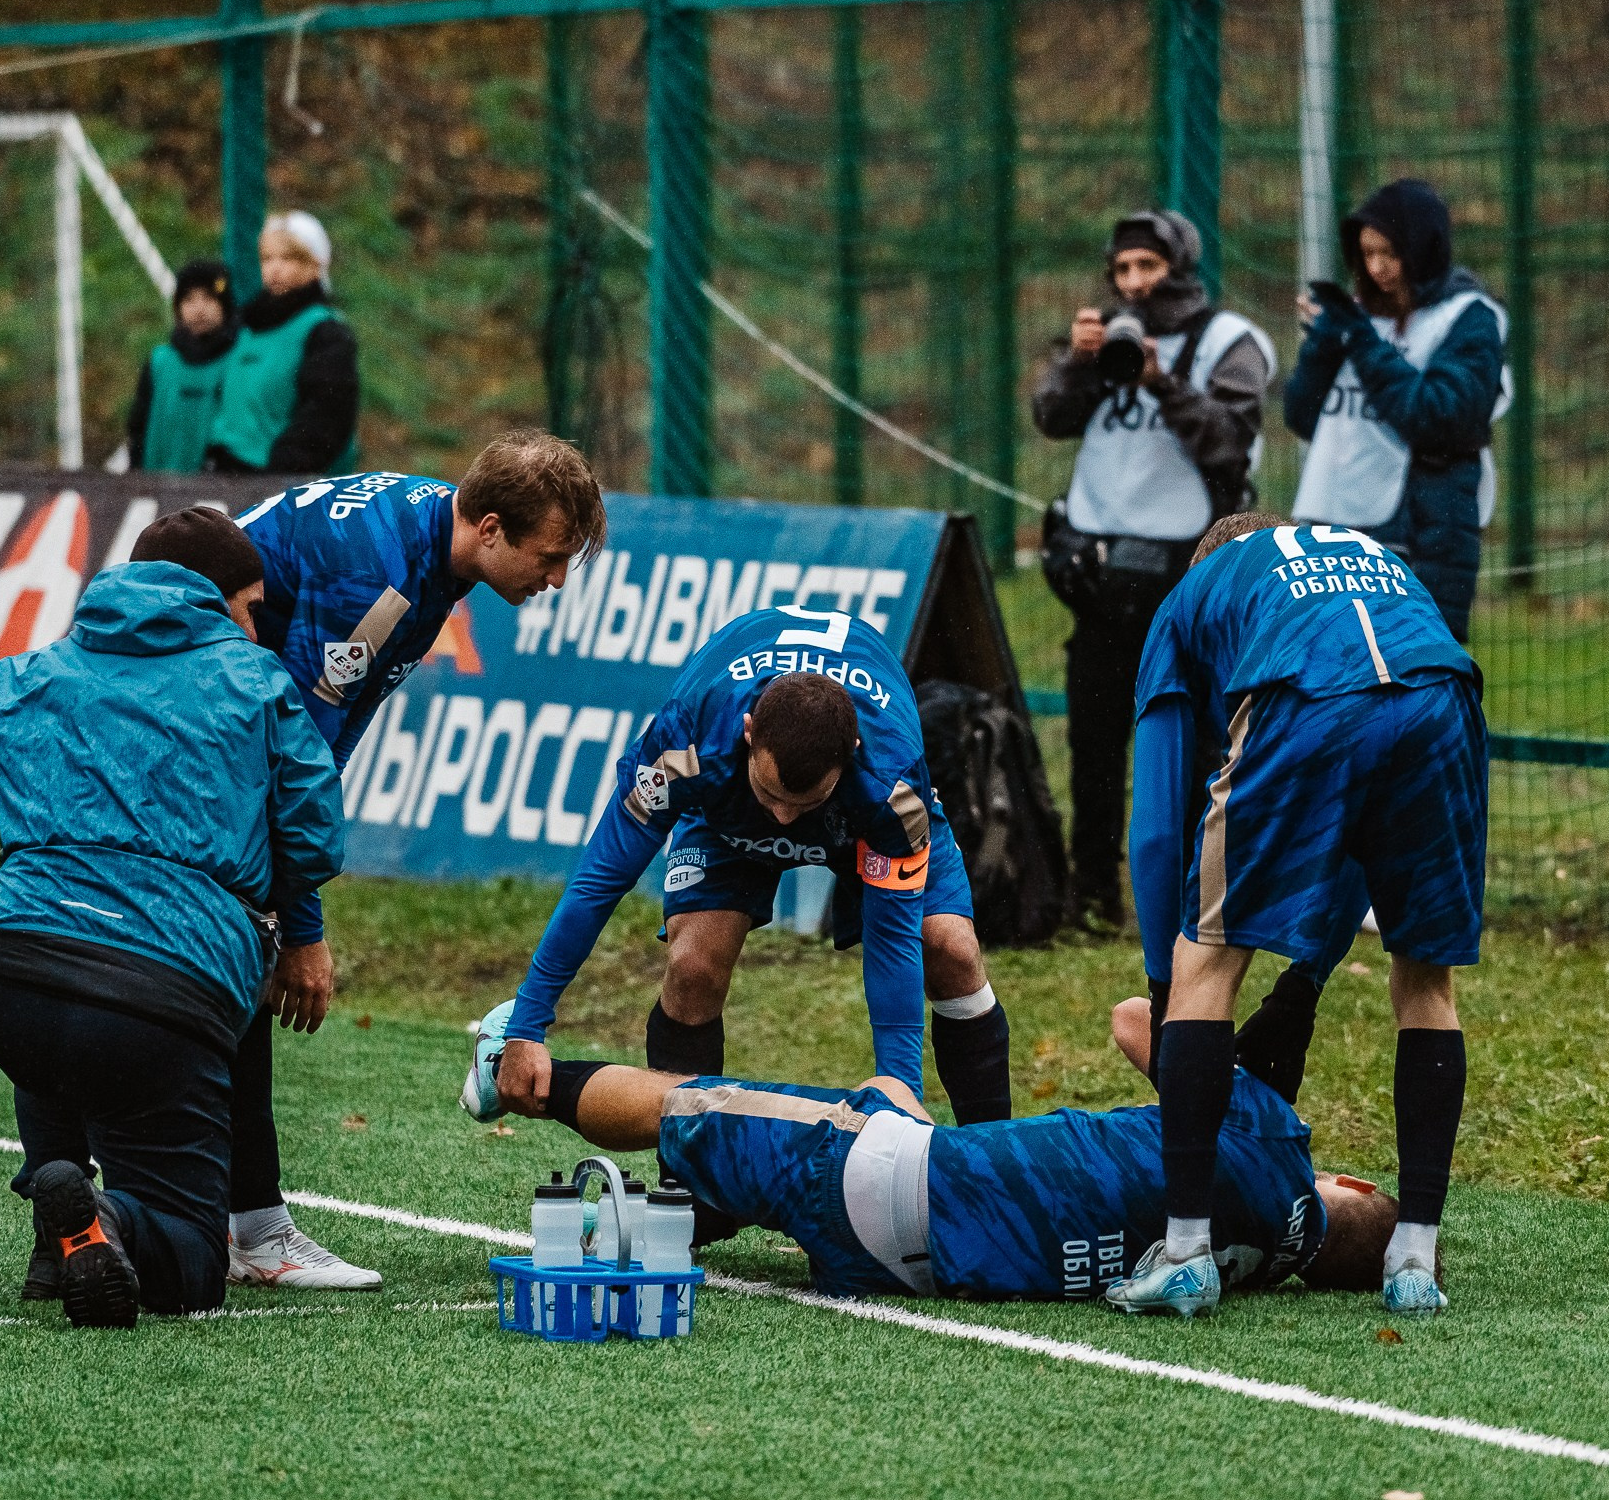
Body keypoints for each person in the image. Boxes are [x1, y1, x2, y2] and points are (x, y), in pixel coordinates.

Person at [0, 511, 344, 1327]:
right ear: (215, 599)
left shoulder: (38, 667)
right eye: (250, 605)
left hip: (10, 980)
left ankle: (55, 1216)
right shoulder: (256, 678)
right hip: (161, 994)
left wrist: (48, 804)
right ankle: (112, 1220)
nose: (254, 625)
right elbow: (313, 839)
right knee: (195, 1263)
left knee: (61, 1034)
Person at [217, 432, 607, 1288]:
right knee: (230, 953)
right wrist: (303, 928)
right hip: (184, 737)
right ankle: (240, 1226)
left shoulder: (434, 537)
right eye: (549, 558)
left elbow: (322, 739)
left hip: (217, 733)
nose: (556, 581)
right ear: (494, 527)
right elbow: (298, 752)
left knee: (231, 949)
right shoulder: (380, 578)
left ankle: (231, 1216)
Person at [1107, 511, 1485, 1320]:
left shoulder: (1189, 598)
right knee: (1426, 979)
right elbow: (1356, 835)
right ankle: (1414, 1260)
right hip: (1443, 691)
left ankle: (1183, 1255)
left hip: (1302, 688)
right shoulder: (1367, 555)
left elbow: (1156, 822)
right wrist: (1304, 982)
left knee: (1207, 954)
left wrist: (1165, 978)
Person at [476, 603, 1013, 1135]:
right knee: (693, 967)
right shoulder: (687, 741)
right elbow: (600, 881)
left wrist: (900, 1102)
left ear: (850, 753)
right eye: (772, 794)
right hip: (726, 810)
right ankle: (687, 1184)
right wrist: (527, 1026)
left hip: (856, 819)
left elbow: (892, 940)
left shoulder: (891, 783)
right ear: (749, 731)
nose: (782, 820)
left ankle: (992, 1164)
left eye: (801, 805)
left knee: (951, 948)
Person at [500, 995, 1397, 1305]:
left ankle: (517, 1078)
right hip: (908, 1267)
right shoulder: (1249, 1265)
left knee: (687, 1103)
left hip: (879, 1180)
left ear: (1347, 1180)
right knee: (890, 1098)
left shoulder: (1272, 1140)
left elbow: (1134, 1022)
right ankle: (698, 1211)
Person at [1032, 209, 1276, 928]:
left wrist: (1162, 380)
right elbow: (1050, 417)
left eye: (1149, 267)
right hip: (1099, 569)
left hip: (1186, 572)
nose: (1135, 284)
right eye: (1123, 269)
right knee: (1094, 737)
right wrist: (1078, 363)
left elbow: (1231, 446)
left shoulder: (1229, 341)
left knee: (1197, 740)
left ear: (1180, 267)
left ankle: (1197, 893)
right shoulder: (1105, 335)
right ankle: (1094, 891)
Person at [1282, 178, 1510, 642]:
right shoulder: (1360, 317)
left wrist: (1362, 342)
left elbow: (1437, 415)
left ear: (1422, 247)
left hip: (1423, 529)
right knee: (1328, 672)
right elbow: (1303, 417)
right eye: (1367, 254)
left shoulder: (1469, 318)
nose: (1378, 267)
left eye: (1390, 252)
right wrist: (1325, 341)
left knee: (1410, 672)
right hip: (1335, 516)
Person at [206, 211, 360, 476]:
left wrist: (282, 470)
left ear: (314, 265)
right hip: (224, 475)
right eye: (267, 258)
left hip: (275, 485)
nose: (274, 268)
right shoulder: (245, 325)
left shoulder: (325, 332)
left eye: (287, 258)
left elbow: (326, 417)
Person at [125, 257, 237, 474]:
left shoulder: (238, 358)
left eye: (208, 298)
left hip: (217, 490)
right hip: (157, 484)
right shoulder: (161, 360)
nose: (199, 309)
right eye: (189, 300)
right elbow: (138, 427)